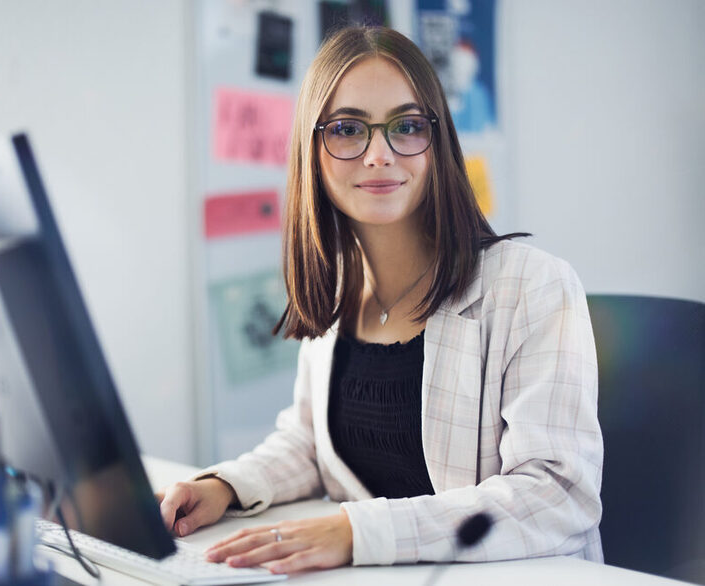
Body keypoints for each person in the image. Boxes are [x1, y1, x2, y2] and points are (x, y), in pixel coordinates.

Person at [157, 26, 603, 574]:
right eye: (347, 130)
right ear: (312, 151)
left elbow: (558, 494)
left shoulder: (534, 288)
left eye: (406, 126)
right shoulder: (340, 295)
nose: (379, 155)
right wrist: (228, 485)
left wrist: (358, 532)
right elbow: (311, 444)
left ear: (436, 143)